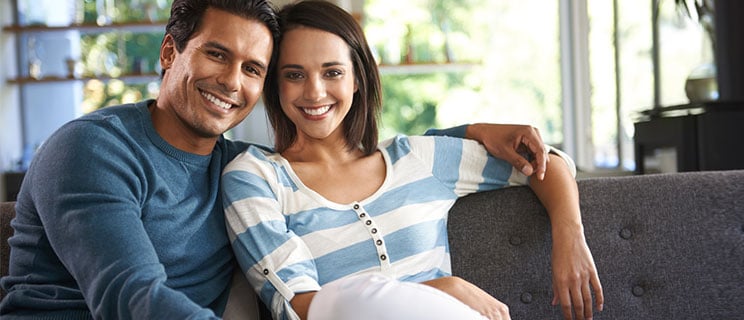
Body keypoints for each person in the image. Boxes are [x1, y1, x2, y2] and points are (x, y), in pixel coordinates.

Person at [0, 0, 555, 319]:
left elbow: (345, 162)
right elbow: (131, 298)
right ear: (170, 52)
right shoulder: (92, 149)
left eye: (252, 67)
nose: (231, 81)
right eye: (217, 54)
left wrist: (472, 133)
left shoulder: (235, 165)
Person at [221, 1, 603, 320]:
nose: (315, 91)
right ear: (276, 85)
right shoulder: (255, 179)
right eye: (294, 75)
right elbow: (302, 307)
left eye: (332, 72)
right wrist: (440, 289)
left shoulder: (416, 159)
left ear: (357, 79)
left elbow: (542, 162)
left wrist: (569, 237)